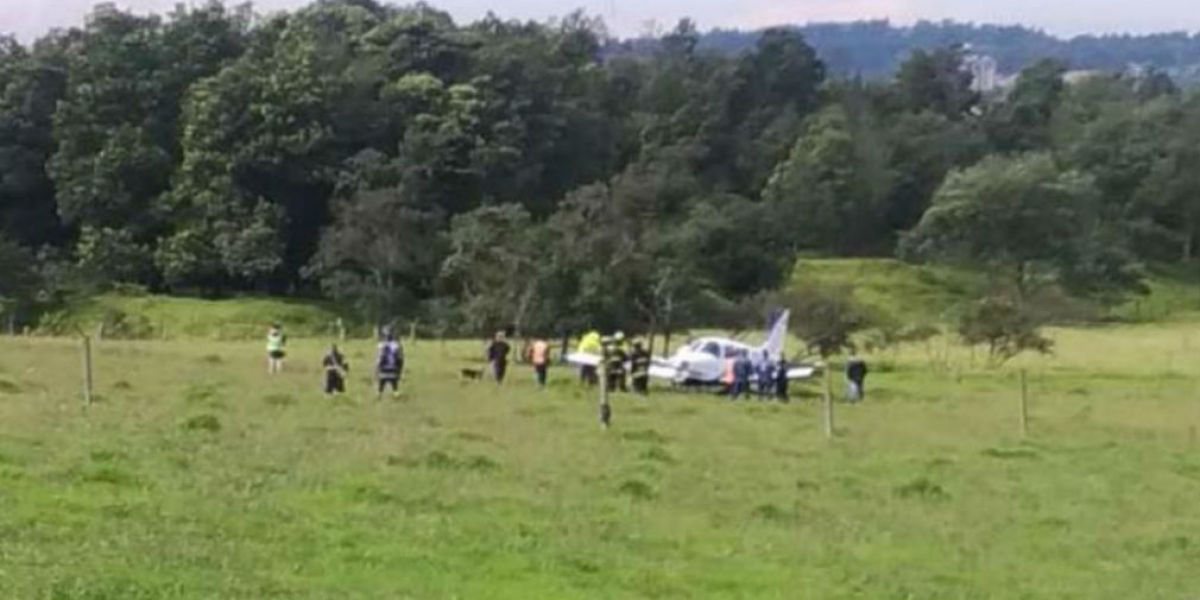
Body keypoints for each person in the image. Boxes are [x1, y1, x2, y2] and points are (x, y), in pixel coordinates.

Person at [376, 330, 404, 400]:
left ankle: (379, 394)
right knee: (394, 381)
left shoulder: (380, 345)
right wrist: (399, 369)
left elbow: (379, 357)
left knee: (382, 381)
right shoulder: (396, 345)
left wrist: (377, 367)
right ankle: (396, 394)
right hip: (393, 367)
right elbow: (399, 358)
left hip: (383, 367)